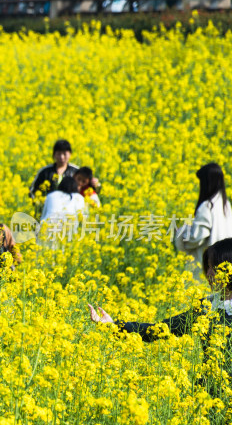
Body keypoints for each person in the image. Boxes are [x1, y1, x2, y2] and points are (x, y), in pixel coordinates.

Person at [89, 238, 232, 394]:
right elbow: (162, 329)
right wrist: (114, 325)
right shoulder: (206, 306)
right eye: (209, 267)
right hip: (212, 392)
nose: (209, 273)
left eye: (215, 268)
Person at [175, 163, 232, 281]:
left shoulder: (207, 206)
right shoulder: (226, 205)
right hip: (225, 263)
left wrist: (181, 232)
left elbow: (197, 237)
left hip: (208, 264)